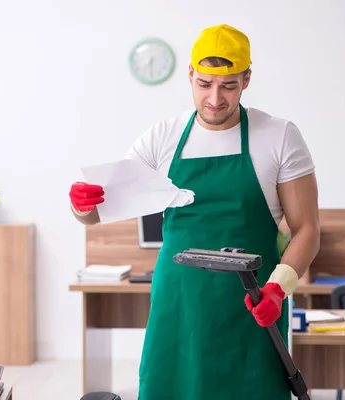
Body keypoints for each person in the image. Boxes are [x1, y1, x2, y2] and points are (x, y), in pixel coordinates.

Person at [69, 23, 320, 400]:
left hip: (252, 304)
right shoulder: (162, 138)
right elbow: (98, 214)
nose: (215, 98)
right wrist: (81, 205)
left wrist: (277, 289)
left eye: (228, 85)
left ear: (247, 79)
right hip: (179, 305)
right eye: (204, 84)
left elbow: (307, 230)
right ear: (190, 75)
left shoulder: (279, 136)